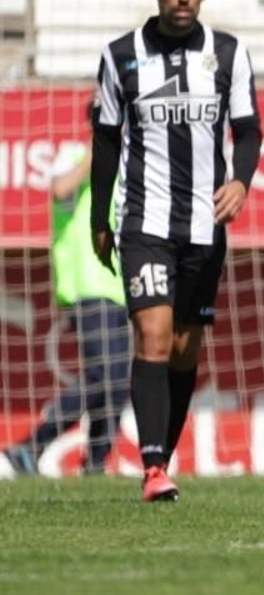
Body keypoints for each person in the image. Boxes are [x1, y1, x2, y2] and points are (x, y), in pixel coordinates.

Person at [91, 0, 262, 502]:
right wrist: (100, 217)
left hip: (204, 224)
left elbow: (249, 130)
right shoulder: (121, 56)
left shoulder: (229, 54)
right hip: (144, 221)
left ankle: (161, 451)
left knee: (186, 348)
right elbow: (107, 140)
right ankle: (153, 466)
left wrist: (240, 180)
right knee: (155, 337)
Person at [0, 99, 130, 480]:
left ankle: (95, 464)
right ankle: (29, 448)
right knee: (107, 374)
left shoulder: (126, 171)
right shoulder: (73, 155)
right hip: (85, 286)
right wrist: (101, 151)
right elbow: (60, 190)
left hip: (121, 287)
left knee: (117, 380)